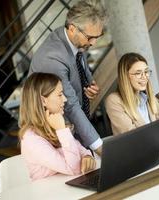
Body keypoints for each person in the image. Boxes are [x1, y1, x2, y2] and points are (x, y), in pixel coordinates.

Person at [29, 0, 107, 155]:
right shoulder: (53, 58)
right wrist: (100, 147)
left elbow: (80, 67)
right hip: (52, 136)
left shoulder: (76, 39)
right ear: (72, 29)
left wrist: (89, 85)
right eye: (91, 37)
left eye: (99, 36)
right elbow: (70, 105)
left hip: (73, 128)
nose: (94, 43)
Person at [19, 73, 96, 181]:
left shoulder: (53, 123)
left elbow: (80, 149)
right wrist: (62, 130)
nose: (64, 99)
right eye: (60, 95)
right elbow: (74, 168)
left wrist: (87, 156)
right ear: (43, 101)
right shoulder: (31, 139)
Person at [105, 52, 159, 135]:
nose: (144, 77)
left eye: (146, 72)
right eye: (138, 73)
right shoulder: (114, 100)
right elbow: (131, 135)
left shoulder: (146, 98)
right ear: (125, 76)